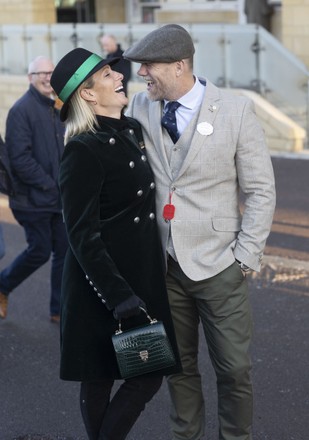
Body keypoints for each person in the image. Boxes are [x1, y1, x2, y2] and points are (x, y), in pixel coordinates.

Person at [123, 24, 276, 440]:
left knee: (235, 368)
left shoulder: (235, 110)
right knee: (180, 366)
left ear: (179, 65)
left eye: (148, 66)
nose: (142, 75)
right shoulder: (138, 106)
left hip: (220, 264)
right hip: (163, 266)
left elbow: (261, 189)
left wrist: (244, 257)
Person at [50, 47, 181, 440]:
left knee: (146, 373)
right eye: (108, 76)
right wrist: (118, 296)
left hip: (139, 275)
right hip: (104, 286)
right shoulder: (83, 149)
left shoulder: (130, 130)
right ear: (88, 94)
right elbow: (81, 232)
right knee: (103, 376)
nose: (119, 77)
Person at [0, 56, 68, 322]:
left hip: (58, 198)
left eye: (51, 73)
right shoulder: (21, 110)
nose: (47, 77)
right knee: (39, 250)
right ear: (30, 78)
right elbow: (20, 159)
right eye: (41, 73)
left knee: (64, 253)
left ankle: (58, 310)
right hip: (32, 199)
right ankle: (3, 285)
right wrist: (51, 184)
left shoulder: (59, 108)